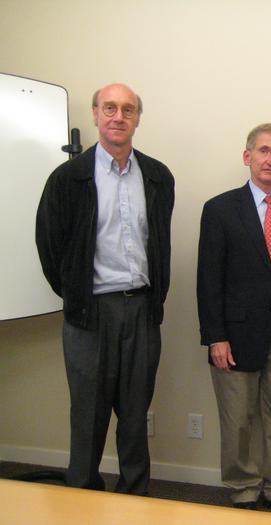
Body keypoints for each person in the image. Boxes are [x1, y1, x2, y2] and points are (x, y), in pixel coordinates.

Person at [35, 83, 175, 494]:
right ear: (95, 114)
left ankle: (135, 497)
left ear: (137, 119)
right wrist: (77, 296)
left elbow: (159, 243)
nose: (118, 117)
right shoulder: (68, 179)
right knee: (88, 415)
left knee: (135, 414)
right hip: (90, 315)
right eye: (110, 108)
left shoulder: (157, 176)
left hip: (142, 311)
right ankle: (83, 496)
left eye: (128, 109)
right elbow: (49, 247)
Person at [197, 123, 271, 515]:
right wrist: (215, 336)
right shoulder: (219, 209)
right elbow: (208, 280)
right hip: (235, 335)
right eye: (264, 150)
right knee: (238, 420)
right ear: (247, 156)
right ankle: (244, 491)